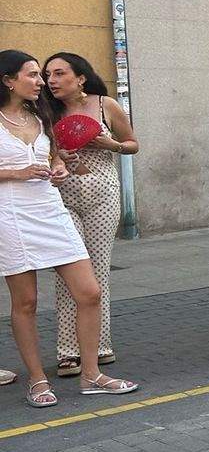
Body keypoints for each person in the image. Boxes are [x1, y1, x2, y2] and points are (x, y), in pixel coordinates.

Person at [0, 51, 139, 406]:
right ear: (8, 81)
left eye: (43, 75)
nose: (42, 82)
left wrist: (59, 165)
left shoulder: (41, 114)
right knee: (26, 302)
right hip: (11, 213)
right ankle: (37, 379)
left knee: (88, 291)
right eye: (33, 75)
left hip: (49, 207)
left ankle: (92, 374)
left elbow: (54, 155)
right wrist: (15, 173)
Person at [42, 52, 138, 378]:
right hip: (62, 195)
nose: (51, 80)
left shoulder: (105, 105)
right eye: (47, 74)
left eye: (59, 73)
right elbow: (40, 151)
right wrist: (57, 154)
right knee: (67, 271)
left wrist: (110, 144)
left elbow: (132, 144)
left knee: (98, 272)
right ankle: (68, 351)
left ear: (80, 77)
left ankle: (98, 346)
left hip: (104, 194)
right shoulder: (45, 110)